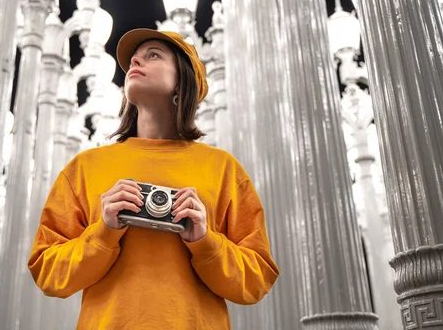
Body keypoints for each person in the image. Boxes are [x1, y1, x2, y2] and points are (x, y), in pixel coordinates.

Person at [27, 29, 279, 329]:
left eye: (154, 55)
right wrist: (104, 231)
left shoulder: (223, 169)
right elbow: (47, 271)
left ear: (182, 82)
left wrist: (204, 240)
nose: (135, 60)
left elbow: (257, 280)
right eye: (135, 57)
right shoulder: (85, 167)